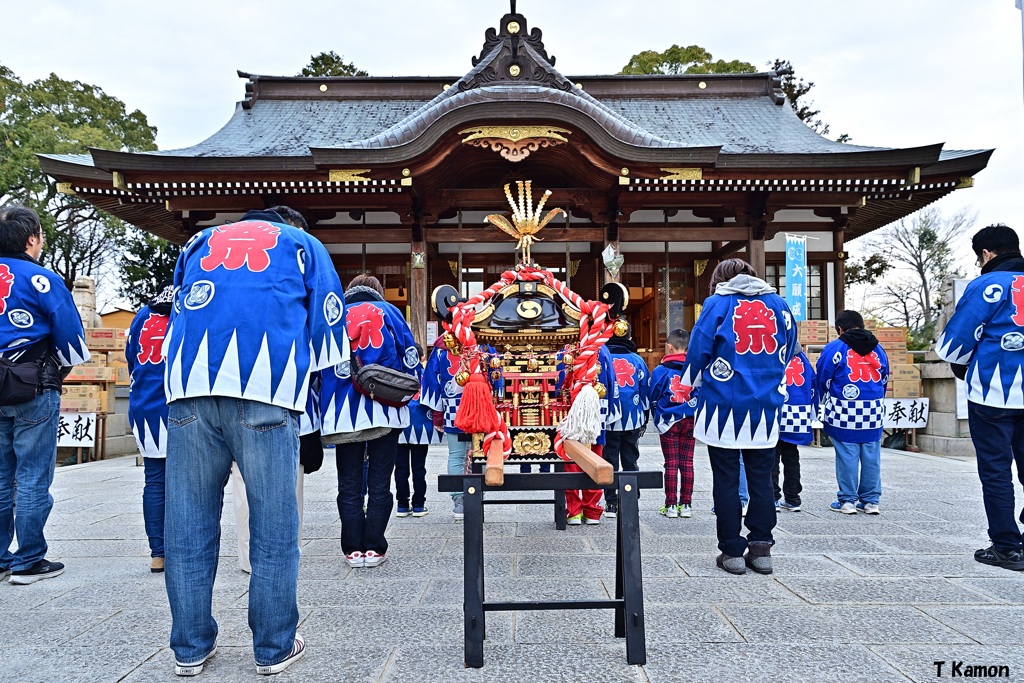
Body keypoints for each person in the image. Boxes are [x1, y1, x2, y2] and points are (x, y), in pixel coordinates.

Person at [163, 206, 346, 675]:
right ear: (291, 223)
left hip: (188, 388)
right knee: (273, 525)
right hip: (265, 388)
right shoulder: (302, 244)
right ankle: (273, 646)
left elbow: (178, 313)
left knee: (187, 523)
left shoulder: (198, 242)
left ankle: (189, 647)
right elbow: (328, 332)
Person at [680, 258, 797, 576]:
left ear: (718, 278)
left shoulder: (717, 303)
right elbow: (790, 347)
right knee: (762, 478)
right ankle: (761, 548)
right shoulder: (779, 304)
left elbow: (699, 347)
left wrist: (686, 383)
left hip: (723, 405)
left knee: (726, 479)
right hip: (765, 406)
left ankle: (731, 551)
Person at [228, 208, 323, 575]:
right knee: (284, 481)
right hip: (278, 387)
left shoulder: (221, 262)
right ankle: (284, 553)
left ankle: (248, 556)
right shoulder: (289, 274)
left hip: (228, 382)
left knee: (242, 482)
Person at [0, 205, 90, 585]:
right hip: (32, 384)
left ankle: (2, 556)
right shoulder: (41, 279)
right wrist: (56, 372)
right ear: (32, 239)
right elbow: (71, 338)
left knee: (2, 477)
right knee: (33, 475)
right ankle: (29, 559)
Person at [936, 224, 1024, 570]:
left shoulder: (987, 285)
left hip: (994, 393)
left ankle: (1006, 545)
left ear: (986, 254)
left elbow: (953, 346)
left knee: (996, 470)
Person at [320, 274, 418, 569]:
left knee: (348, 484)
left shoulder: (333, 316)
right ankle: (374, 548)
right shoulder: (391, 312)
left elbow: (317, 364)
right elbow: (411, 358)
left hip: (341, 412)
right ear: (377, 292)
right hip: (385, 408)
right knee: (379, 481)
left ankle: (352, 550)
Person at [816, 310, 888, 516]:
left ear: (840, 328)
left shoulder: (835, 348)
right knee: (871, 454)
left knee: (847, 453)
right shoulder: (878, 349)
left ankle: (847, 500)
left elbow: (823, 377)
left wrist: (822, 398)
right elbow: (884, 378)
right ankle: (871, 501)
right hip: (872, 409)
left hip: (844, 409)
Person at [125, 280, 174, 574]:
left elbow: (131, 359)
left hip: (144, 405)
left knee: (154, 479)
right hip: (179, 404)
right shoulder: (187, 310)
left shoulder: (142, 315)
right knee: (187, 483)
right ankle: (183, 548)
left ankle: (158, 552)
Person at [564, 343, 620, 525]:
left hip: (569, 412)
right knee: (594, 457)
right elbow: (610, 382)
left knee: (570, 460)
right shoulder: (601, 348)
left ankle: (573, 511)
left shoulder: (566, 346)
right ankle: (592, 511)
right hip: (596, 412)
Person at [602, 323, 650, 518]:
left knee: (609, 460)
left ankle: (611, 503)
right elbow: (645, 390)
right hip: (633, 417)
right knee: (631, 460)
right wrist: (645, 416)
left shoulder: (603, 359)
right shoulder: (638, 361)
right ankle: (631, 501)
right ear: (630, 338)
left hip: (608, 419)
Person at [651, 328, 697, 518]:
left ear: (669, 347)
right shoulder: (695, 368)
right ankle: (686, 504)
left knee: (671, 463)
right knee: (687, 462)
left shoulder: (660, 371)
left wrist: (657, 415)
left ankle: (670, 505)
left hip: (668, 419)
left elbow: (653, 395)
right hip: (690, 418)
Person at [395, 343, 437, 517]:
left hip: (398, 425)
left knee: (400, 468)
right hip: (421, 424)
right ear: (422, 357)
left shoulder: (397, 373)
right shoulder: (425, 375)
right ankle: (419, 504)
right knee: (419, 468)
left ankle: (402, 505)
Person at [774, 346, 816, 512]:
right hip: (797, 412)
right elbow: (813, 383)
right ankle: (793, 498)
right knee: (791, 456)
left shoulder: (770, 352)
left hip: (773, 410)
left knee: (771, 456)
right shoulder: (802, 358)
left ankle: (773, 497)